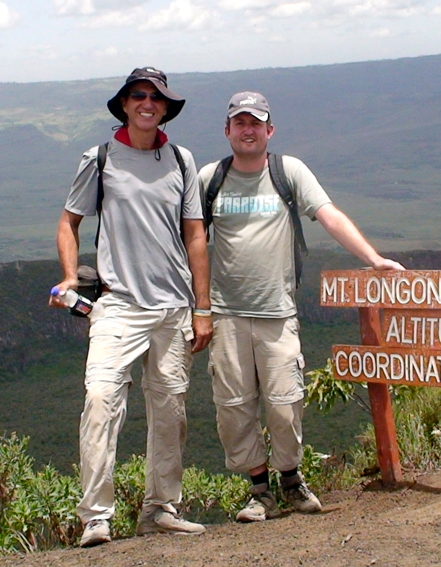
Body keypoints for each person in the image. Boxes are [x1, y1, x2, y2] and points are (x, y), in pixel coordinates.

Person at [198, 91, 406, 522]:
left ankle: (291, 480)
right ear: (227, 130)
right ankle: (260, 491)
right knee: (234, 405)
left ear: (269, 130)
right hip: (225, 314)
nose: (248, 129)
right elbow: (189, 239)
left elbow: (328, 214)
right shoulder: (209, 179)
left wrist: (372, 259)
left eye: (256, 122)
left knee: (284, 400)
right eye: (240, 122)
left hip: (278, 312)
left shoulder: (287, 172)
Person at [51, 67, 212, 547]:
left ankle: (159, 509)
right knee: (101, 400)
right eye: (138, 95)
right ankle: (96, 517)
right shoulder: (99, 159)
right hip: (118, 304)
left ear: (166, 108)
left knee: (170, 410)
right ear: (124, 104)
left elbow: (195, 235)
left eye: (156, 98)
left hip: (173, 306)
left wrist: (202, 307)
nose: (147, 103)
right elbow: (68, 222)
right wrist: (68, 275)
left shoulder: (180, 160)